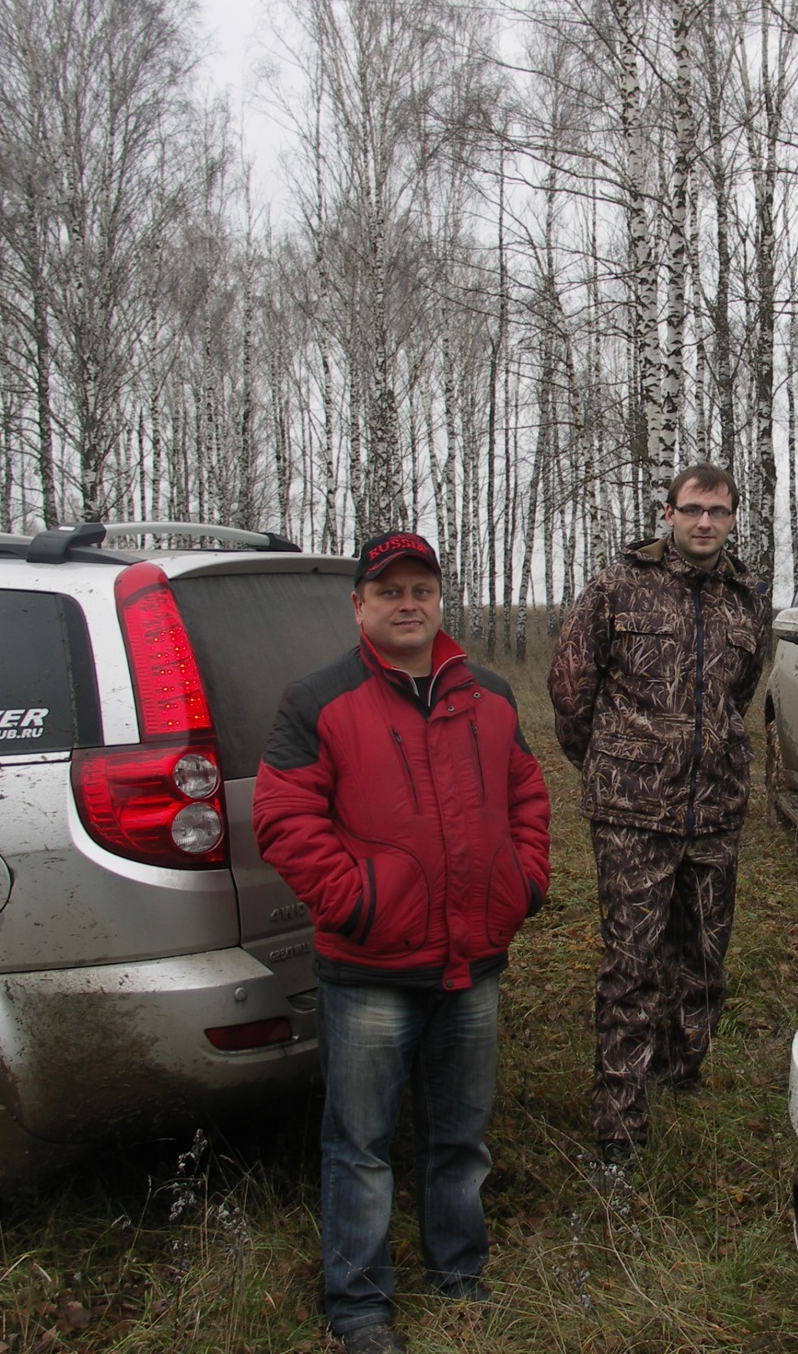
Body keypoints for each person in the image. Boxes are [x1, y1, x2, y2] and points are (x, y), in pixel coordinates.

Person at [253, 531, 550, 1354]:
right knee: (362, 1146)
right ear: (359, 606)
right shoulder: (318, 701)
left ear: (439, 600)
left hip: (472, 964)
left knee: (460, 1136)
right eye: (389, 591)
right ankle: (360, 1306)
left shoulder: (488, 696)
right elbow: (283, 817)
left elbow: (529, 796)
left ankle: (459, 1274)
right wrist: (356, 903)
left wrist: (520, 882)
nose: (408, 604)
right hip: (369, 968)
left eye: (421, 588)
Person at [548, 464, 772, 1185]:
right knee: (632, 965)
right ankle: (619, 1123)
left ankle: (679, 1075)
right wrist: (615, 765)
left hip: (713, 809)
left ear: (734, 518)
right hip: (631, 814)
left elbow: (739, 692)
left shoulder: (748, 600)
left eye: (719, 511)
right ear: (668, 513)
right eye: (693, 509)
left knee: (704, 959)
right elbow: (570, 685)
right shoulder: (619, 585)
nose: (705, 522)